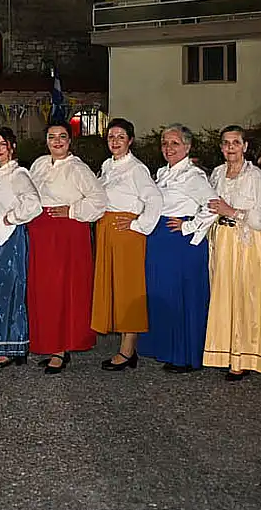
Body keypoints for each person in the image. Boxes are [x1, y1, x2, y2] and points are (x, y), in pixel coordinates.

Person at [203, 126, 261, 379]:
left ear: (245, 147)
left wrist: (233, 212)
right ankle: (227, 352)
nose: (230, 148)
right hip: (223, 240)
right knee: (225, 296)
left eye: (236, 143)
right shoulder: (217, 174)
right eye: (226, 143)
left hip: (247, 242)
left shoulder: (255, 177)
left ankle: (246, 356)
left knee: (246, 297)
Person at [27, 123, 107, 374]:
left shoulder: (78, 169)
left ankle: (61, 349)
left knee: (62, 290)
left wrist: (72, 211)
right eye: (52, 137)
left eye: (62, 137)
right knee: (43, 290)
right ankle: (49, 342)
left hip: (66, 233)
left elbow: (99, 201)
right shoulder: (39, 164)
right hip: (41, 231)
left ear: (70, 141)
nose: (57, 141)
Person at [144, 124, 219, 373]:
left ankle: (186, 355)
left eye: (175, 143)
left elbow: (213, 206)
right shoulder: (162, 173)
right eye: (165, 143)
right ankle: (167, 348)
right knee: (164, 294)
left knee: (183, 297)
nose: (168, 148)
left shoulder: (193, 176)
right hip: (160, 239)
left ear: (187, 147)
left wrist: (189, 226)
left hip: (180, 242)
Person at [92, 118, 162, 371]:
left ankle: (127, 349)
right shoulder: (107, 166)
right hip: (107, 232)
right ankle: (123, 343)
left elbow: (154, 199)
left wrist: (137, 225)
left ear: (130, 141)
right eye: (111, 136)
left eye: (121, 137)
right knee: (112, 286)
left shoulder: (136, 169)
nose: (115, 141)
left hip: (126, 234)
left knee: (128, 288)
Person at [0, 128, 41, 367]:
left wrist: (10, 218)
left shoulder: (18, 174)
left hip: (8, 237)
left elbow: (34, 204)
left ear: (12, 147)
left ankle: (9, 346)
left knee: (7, 289)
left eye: (3, 144)